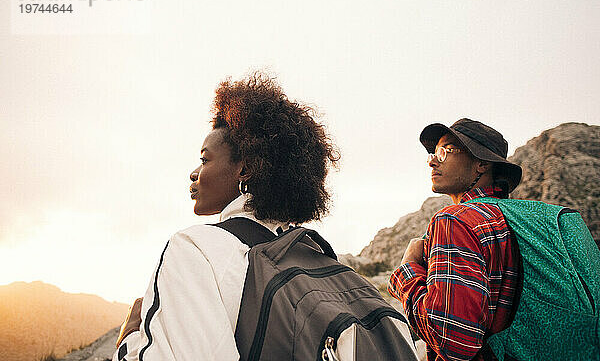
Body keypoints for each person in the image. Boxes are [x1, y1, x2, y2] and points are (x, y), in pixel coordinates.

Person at [113, 72, 339, 361]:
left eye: (205, 159)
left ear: (244, 169)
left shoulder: (195, 248)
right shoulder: (315, 254)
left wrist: (129, 339)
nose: (194, 173)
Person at [388, 118, 522, 361]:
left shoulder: (455, 221)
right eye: (433, 152)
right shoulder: (514, 220)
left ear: (481, 163)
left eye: (445, 150)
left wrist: (406, 270)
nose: (432, 160)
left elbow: (453, 343)